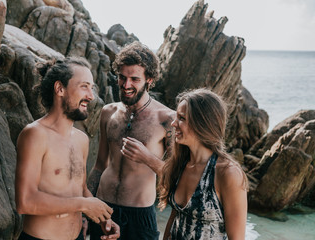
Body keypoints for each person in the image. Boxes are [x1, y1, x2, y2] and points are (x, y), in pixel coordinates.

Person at [15, 57, 120, 240]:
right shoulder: (35, 134)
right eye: (84, 86)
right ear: (60, 89)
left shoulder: (82, 140)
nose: (91, 96)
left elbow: (79, 188)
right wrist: (82, 204)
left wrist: (102, 218)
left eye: (92, 87)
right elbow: (25, 202)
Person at [87, 41, 175, 240]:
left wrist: (148, 158)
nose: (126, 85)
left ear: (149, 80)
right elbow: (100, 165)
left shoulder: (167, 119)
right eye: (122, 77)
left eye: (134, 79)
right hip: (102, 208)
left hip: (139, 216)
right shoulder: (108, 112)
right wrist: (87, 210)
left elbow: (178, 177)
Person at [158, 88, 248, 240]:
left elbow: (237, 238)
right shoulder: (180, 164)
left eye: (182, 118)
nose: (173, 123)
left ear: (202, 123)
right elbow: (175, 218)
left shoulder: (227, 173)